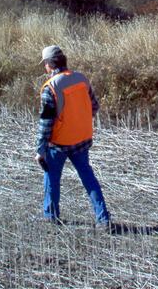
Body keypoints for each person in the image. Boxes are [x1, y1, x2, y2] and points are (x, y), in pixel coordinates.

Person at [35, 45, 111, 228]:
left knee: (51, 178)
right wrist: (77, 121)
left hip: (58, 143)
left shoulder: (50, 88)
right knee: (88, 178)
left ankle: (50, 217)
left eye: (45, 63)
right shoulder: (81, 79)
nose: (44, 66)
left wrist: (40, 150)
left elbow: (46, 123)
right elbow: (94, 106)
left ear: (49, 64)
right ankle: (104, 219)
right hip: (82, 140)